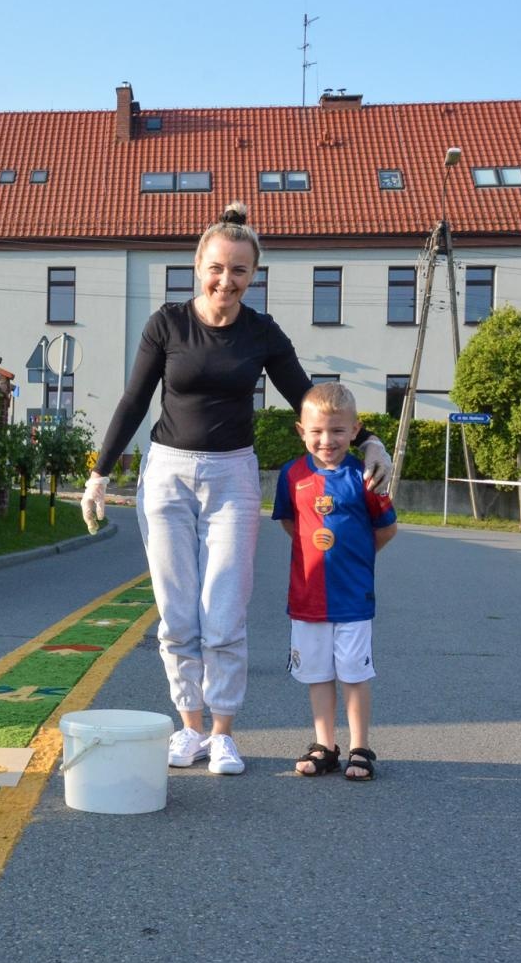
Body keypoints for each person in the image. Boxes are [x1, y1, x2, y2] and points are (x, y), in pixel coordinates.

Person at [80, 202, 393, 776]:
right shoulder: (167, 324)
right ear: (198, 265)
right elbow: (134, 400)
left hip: (232, 477)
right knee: (176, 613)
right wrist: (100, 471)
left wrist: (370, 440)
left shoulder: (261, 332)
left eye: (240, 271)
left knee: (222, 609)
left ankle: (223, 732)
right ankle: (190, 727)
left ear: (254, 276)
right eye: (217, 268)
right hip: (167, 472)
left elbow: (306, 395)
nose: (227, 281)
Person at [273, 383, 397, 781]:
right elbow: (292, 525)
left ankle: (360, 748)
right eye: (317, 432)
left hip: (352, 599)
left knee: (354, 675)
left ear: (355, 430)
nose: (327, 440)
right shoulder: (291, 475)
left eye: (338, 431)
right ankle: (325, 745)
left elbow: (386, 529)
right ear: (301, 431)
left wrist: (354, 559)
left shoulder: (365, 476)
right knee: (317, 674)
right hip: (308, 596)